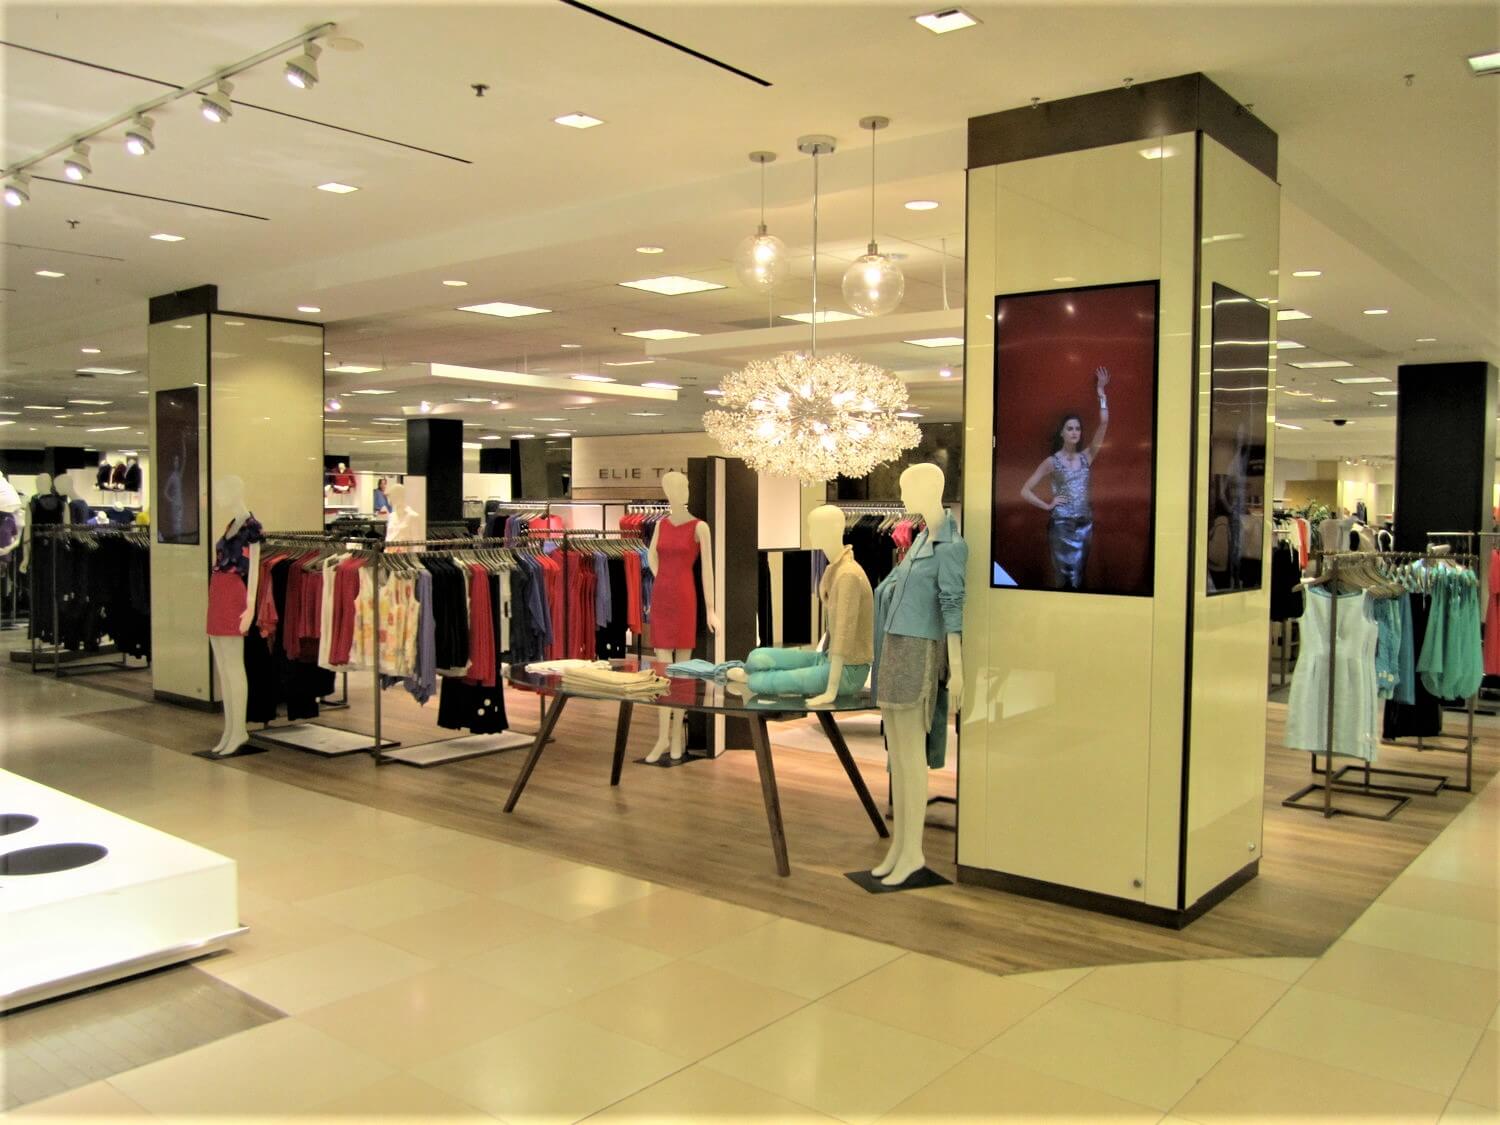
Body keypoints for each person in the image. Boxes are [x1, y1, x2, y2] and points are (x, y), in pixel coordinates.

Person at [1019, 366, 1109, 590]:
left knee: (1079, 577)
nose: (1075, 432)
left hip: (1085, 524)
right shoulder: (1052, 461)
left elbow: (1104, 424)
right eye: (1070, 428)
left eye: (1077, 428)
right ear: (1062, 432)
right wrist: (1048, 505)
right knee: (1064, 577)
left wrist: (1101, 393)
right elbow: (1025, 490)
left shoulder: (1087, 456)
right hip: (1061, 526)